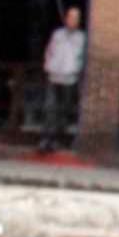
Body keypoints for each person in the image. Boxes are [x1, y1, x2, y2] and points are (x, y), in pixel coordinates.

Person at [37, 8, 85, 154]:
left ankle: (56, 139)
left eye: (76, 18)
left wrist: (76, 69)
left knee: (63, 110)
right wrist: (48, 65)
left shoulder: (82, 38)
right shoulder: (57, 34)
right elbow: (49, 50)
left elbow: (82, 57)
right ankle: (46, 139)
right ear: (66, 18)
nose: (72, 20)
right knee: (50, 108)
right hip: (54, 77)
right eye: (70, 17)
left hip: (70, 79)